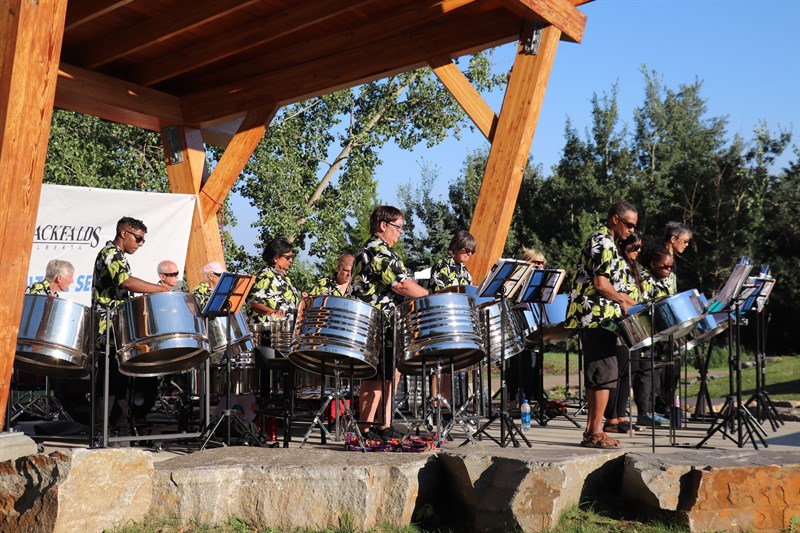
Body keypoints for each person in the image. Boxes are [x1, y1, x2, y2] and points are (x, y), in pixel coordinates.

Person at [350, 205, 428, 439]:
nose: (401, 232)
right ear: (383, 226)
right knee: (375, 377)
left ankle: (383, 424)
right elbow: (401, 285)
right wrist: (432, 298)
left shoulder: (382, 250)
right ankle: (365, 428)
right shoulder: (377, 250)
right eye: (398, 227)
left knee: (390, 375)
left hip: (386, 324)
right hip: (374, 324)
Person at [564, 202, 638, 449]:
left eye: (634, 226)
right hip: (595, 316)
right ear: (615, 219)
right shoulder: (602, 241)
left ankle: (593, 431)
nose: (631, 230)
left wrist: (631, 302)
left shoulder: (611, 244)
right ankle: (595, 433)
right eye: (629, 225)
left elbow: (613, 286)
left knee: (605, 373)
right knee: (603, 373)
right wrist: (623, 301)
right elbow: (601, 284)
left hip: (605, 318)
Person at [92, 216, 169, 430]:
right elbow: (125, 281)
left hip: (118, 325)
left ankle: (120, 426)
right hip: (106, 326)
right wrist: (161, 288)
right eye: (138, 239)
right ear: (124, 233)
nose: (140, 244)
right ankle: (101, 429)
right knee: (108, 378)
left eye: (143, 240)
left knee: (121, 377)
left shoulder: (120, 256)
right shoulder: (110, 253)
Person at [428, 230, 476, 408]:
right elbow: (437, 292)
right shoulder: (442, 265)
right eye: (466, 250)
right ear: (455, 248)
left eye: (472, 252)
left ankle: (447, 405)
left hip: (458, 321)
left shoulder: (466, 273)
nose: (469, 254)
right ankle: (435, 406)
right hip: (441, 319)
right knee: (439, 366)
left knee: (450, 366)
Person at [602, 233, 644, 434]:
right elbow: (621, 294)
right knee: (618, 372)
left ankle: (621, 416)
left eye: (639, 248)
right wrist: (639, 307)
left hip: (632, 321)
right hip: (618, 321)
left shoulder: (634, 268)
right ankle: (611, 419)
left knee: (631, 370)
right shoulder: (617, 263)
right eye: (634, 247)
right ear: (622, 245)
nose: (637, 251)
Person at [633, 244, 676, 427]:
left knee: (656, 372)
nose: (668, 270)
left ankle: (652, 411)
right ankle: (644, 412)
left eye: (670, 267)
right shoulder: (644, 280)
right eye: (664, 266)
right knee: (645, 372)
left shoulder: (663, 281)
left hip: (659, 336)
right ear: (652, 264)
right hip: (645, 332)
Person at [507, 247, 546, 409]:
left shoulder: (543, 283)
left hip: (534, 325)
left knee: (534, 361)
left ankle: (531, 398)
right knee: (516, 363)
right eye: (535, 263)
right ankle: (513, 399)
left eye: (541, 263)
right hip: (517, 325)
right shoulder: (516, 280)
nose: (539, 266)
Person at [248, 238, 301, 323]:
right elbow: (254, 303)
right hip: (269, 330)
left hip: (286, 330)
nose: (291, 260)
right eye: (288, 257)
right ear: (276, 258)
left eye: (292, 257)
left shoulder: (284, 277)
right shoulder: (265, 276)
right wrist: (273, 312)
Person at [663, 221, 692, 294]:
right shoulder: (660, 257)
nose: (687, 245)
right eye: (685, 241)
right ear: (673, 239)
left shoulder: (673, 257)